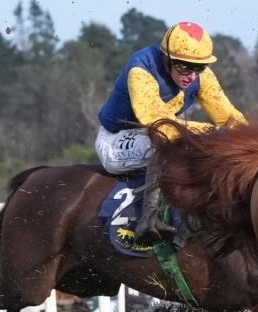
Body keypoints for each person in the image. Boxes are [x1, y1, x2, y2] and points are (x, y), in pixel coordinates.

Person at [95, 21, 247, 243]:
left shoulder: (201, 76)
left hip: (150, 135)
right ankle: (148, 221)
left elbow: (228, 117)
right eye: (184, 67)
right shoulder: (141, 69)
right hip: (115, 140)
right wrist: (212, 131)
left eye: (198, 67)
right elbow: (160, 125)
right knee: (168, 143)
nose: (191, 76)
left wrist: (252, 140)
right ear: (166, 58)